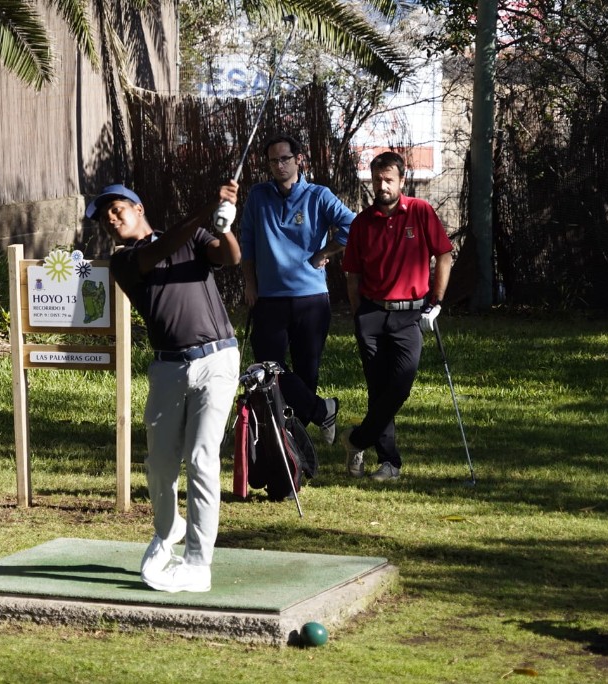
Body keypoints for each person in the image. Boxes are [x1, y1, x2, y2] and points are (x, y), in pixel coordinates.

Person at [85, 181, 241, 593]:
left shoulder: (194, 237)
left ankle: (197, 564)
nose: (111, 220)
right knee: (160, 465)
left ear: (138, 207)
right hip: (168, 369)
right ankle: (168, 530)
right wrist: (208, 205)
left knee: (202, 459)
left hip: (217, 360)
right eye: (105, 219)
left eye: (117, 210)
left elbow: (230, 257)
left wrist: (223, 226)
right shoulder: (124, 261)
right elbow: (162, 249)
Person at [340, 150, 454, 481]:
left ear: (402, 180)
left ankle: (357, 439)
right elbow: (352, 275)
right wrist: (359, 314)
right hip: (372, 314)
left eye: (389, 179)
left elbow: (444, 255)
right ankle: (390, 463)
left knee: (399, 386)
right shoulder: (362, 222)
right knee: (379, 390)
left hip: (409, 315)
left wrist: (437, 301)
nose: (383, 185)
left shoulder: (419, 212)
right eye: (377, 179)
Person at [239, 134, 353, 445]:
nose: (279, 165)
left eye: (285, 159)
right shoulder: (258, 196)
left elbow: (352, 226)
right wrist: (250, 283)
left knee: (307, 370)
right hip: (269, 298)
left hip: (310, 299)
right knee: (266, 367)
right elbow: (246, 242)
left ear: (299, 159)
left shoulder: (318, 195)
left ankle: (294, 438)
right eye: (273, 161)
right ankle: (322, 410)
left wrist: (326, 253)